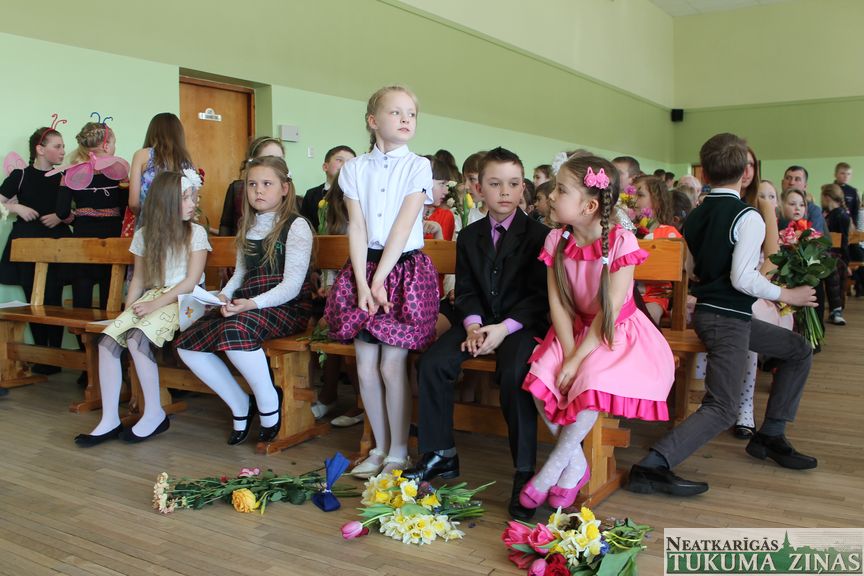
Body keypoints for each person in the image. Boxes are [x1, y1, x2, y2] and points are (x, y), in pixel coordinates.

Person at [627, 133, 818, 497]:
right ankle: (652, 466)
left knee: (798, 350)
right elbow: (743, 278)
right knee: (722, 407)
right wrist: (787, 294)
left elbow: (692, 267)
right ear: (746, 172)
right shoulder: (748, 216)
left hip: (719, 316)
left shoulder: (697, 214)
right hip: (726, 320)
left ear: (705, 172)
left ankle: (770, 435)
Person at [520, 154, 674, 511]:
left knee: (590, 380)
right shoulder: (556, 240)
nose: (551, 196)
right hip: (573, 330)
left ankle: (550, 471)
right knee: (542, 377)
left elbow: (611, 310)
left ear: (589, 206)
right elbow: (559, 304)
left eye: (561, 190)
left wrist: (577, 360)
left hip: (613, 331)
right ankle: (575, 465)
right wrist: (568, 353)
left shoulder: (621, 242)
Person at [403, 147, 550, 522]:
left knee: (516, 373)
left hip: (519, 325)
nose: (505, 191)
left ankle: (524, 471)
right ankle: (440, 453)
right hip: (478, 321)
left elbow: (539, 298)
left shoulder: (540, 236)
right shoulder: (469, 236)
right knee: (434, 363)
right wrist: (471, 325)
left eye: (513, 184)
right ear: (479, 188)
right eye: (495, 184)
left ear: (523, 188)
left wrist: (502, 329)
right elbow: (466, 289)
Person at [324, 85, 438, 478]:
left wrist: (381, 280)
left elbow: (403, 226)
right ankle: (378, 447)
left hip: (403, 270)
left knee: (392, 365)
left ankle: (398, 452)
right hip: (365, 268)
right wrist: (362, 282)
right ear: (373, 121)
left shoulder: (418, 166)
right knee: (365, 365)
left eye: (411, 113)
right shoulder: (354, 169)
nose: (406, 119)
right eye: (396, 112)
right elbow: (356, 227)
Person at [176, 157, 313, 444]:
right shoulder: (248, 224)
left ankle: (268, 401)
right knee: (187, 343)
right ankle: (240, 403)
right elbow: (240, 274)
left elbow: (291, 286)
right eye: (252, 184)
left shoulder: (296, 225)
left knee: (235, 330)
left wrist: (251, 304)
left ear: (284, 188)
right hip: (247, 301)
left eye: (267, 184)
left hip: (285, 306)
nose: (258, 190)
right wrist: (223, 295)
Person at [74, 169, 209, 445]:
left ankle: (154, 413)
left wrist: (154, 304)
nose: (192, 203)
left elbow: (191, 281)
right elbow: (138, 279)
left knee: (137, 339)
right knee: (107, 341)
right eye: (185, 198)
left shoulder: (196, 233)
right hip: (155, 297)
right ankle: (109, 419)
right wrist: (128, 311)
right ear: (166, 202)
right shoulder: (145, 235)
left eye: (192, 197)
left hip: (187, 300)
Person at [0, 124, 70, 374]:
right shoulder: (20, 175)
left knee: (54, 298)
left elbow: (79, 210)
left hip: (56, 243)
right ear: (40, 149)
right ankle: (42, 355)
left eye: (63, 146)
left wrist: (61, 217)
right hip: (27, 244)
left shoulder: (65, 176)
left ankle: (56, 356)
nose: (63, 151)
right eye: (57, 146)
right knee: (34, 299)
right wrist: (16, 208)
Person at [55, 121, 128, 310]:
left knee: (81, 301)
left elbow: (61, 211)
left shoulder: (70, 172)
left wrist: (78, 219)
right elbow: (126, 207)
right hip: (112, 236)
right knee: (109, 301)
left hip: (83, 236)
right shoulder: (120, 171)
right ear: (106, 145)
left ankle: (81, 328)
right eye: (113, 143)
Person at [123, 112, 193, 235]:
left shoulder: (142, 155)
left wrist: (145, 213)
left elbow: (133, 203)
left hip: (149, 226)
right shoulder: (187, 161)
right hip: (179, 229)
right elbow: (192, 203)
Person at [219, 136, 285, 236]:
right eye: (269, 159)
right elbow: (226, 225)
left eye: (280, 160)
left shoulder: (285, 191)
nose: (275, 165)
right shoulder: (237, 189)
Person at [299, 145, 356, 233]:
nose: (345, 165)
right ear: (325, 167)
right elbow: (305, 226)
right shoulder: (311, 194)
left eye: (350, 162)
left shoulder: (358, 194)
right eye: (339, 160)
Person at [820, 183, 850, 326]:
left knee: (834, 268)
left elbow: (844, 243)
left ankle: (836, 310)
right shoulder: (828, 214)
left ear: (827, 197)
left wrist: (846, 263)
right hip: (827, 254)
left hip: (837, 256)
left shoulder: (841, 215)